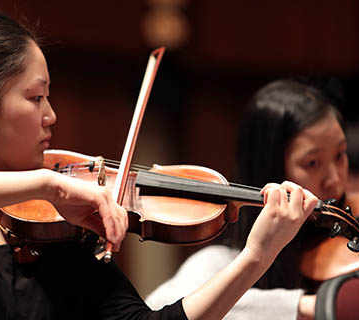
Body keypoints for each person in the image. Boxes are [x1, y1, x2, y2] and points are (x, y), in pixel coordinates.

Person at [0, 8, 317, 320]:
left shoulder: (51, 230)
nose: (50, 115)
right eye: (35, 97)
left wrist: (257, 258)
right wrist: (47, 186)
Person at [145, 79, 348, 319]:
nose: (334, 180)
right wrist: (302, 305)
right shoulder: (224, 259)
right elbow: (159, 304)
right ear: (271, 172)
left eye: (340, 155)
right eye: (312, 163)